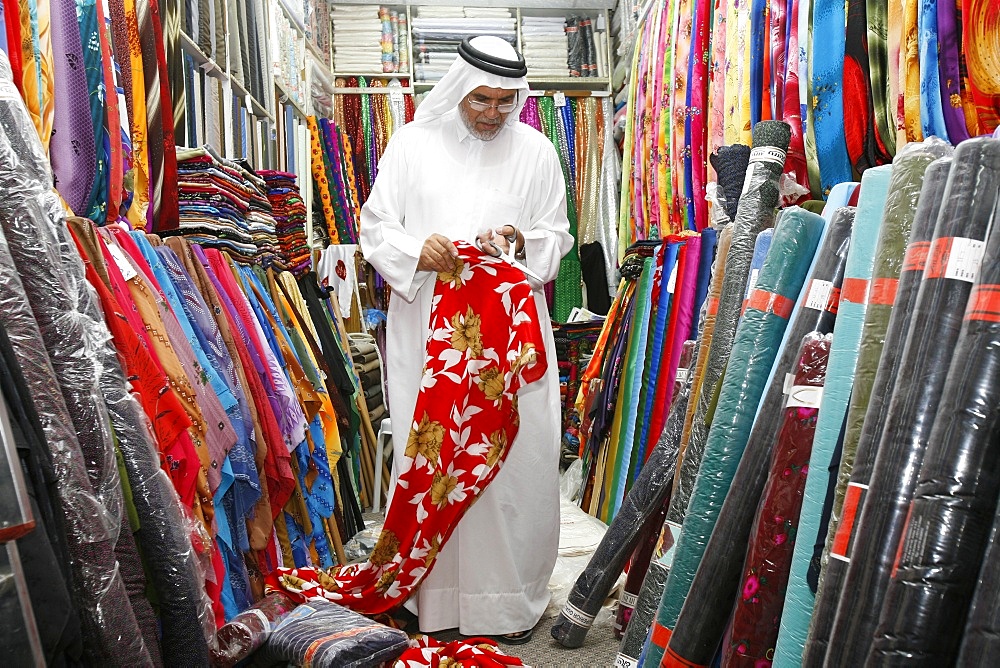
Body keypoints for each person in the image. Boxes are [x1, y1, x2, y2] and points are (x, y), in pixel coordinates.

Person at [359, 35, 573, 642]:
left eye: (505, 103)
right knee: (434, 458)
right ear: (457, 88)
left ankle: (507, 605)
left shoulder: (536, 152)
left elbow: (555, 238)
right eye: (481, 99)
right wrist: (414, 251)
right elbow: (375, 226)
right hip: (426, 333)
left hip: (507, 339)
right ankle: (436, 600)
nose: (492, 113)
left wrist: (518, 243)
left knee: (515, 465)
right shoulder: (411, 146)